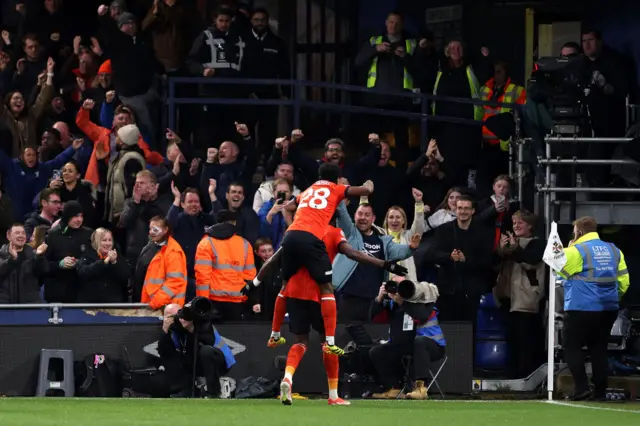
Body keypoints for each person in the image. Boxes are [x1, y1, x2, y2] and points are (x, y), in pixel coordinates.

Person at [254, 220, 408, 406]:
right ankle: (333, 395)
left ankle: (288, 377)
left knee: (301, 342)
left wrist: (254, 283)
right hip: (321, 294)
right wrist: (384, 264)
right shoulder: (334, 232)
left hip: (292, 292)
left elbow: (273, 261)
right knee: (328, 343)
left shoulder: (297, 232)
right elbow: (353, 254)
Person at [273, 163, 375, 355]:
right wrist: (368, 182)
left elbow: (287, 207)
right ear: (336, 179)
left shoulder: (308, 190)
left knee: (284, 286)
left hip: (292, 238)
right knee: (327, 288)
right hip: (314, 262)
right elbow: (367, 189)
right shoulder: (336, 190)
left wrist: (292, 225)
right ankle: (329, 343)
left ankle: (275, 334)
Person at [557, 216, 630, 401]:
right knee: (599, 348)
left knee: (571, 346)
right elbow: (624, 281)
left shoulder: (577, 250)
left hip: (581, 307)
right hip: (608, 308)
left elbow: (559, 269)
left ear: (579, 232)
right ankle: (600, 392)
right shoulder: (614, 250)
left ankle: (581, 388)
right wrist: (614, 298)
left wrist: (568, 247)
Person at [158, 303, 236, 398]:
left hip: (219, 359)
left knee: (205, 351)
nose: (176, 318)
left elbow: (207, 342)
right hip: (195, 362)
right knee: (173, 357)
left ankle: (213, 393)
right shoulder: (172, 330)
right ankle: (184, 390)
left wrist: (190, 329)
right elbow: (164, 352)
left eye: (178, 314)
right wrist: (165, 331)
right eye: (171, 316)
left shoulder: (199, 322)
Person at [140, 216, 188, 310]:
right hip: (155, 306)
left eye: (155, 229)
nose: (151, 232)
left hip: (166, 308)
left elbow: (174, 282)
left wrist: (154, 303)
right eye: (150, 229)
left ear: (165, 230)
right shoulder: (152, 247)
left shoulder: (173, 252)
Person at [76, 228, 129, 303]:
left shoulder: (118, 256)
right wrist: (104, 262)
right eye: (104, 240)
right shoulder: (87, 255)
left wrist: (114, 262)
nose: (108, 243)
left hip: (113, 304)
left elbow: (125, 277)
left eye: (110, 240)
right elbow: (83, 273)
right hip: (90, 304)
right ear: (97, 242)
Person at [0, 223, 48, 303]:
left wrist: (39, 256)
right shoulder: (1, 254)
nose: (21, 235)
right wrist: (12, 260)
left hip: (30, 305)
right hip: (6, 305)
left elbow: (44, 272)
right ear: (8, 236)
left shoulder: (33, 255)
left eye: (23, 233)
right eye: (17, 233)